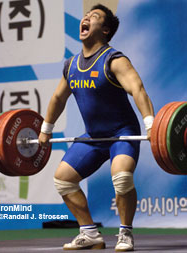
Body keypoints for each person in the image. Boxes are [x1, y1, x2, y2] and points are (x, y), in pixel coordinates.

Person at [39, 4, 154, 252]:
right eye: (86, 15)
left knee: (122, 179)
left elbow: (138, 89)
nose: (87, 18)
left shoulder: (115, 60)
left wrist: (150, 124)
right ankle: (89, 233)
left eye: (95, 17)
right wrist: (46, 129)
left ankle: (125, 233)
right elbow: (58, 98)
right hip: (94, 137)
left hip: (122, 133)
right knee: (63, 180)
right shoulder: (71, 65)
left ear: (105, 31)